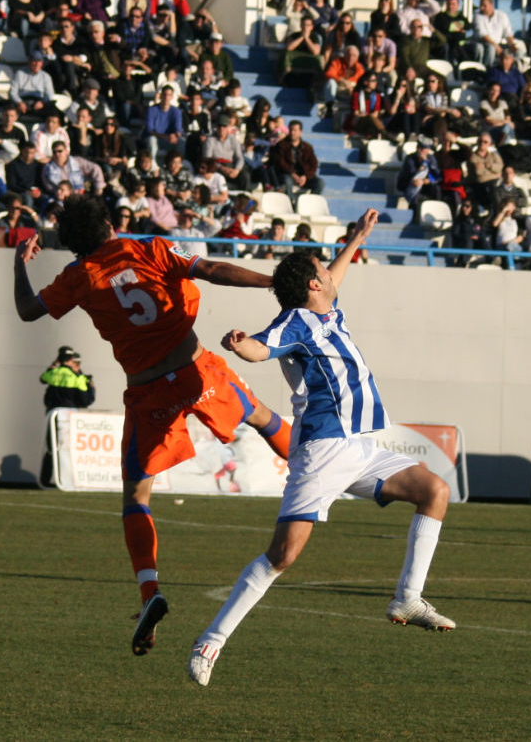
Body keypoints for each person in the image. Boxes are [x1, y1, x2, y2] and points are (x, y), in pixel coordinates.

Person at [12, 195, 294, 659]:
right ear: (108, 221)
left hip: (149, 393)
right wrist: (271, 282)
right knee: (262, 417)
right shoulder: (150, 247)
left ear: (73, 242)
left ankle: (149, 593)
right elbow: (213, 270)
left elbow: (27, 310)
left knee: (137, 496)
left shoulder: (77, 277)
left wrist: (19, 264)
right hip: (196, 371)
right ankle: (319, 470)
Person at [188, 210, 455, 687]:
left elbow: (336, 274)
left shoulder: (326, 310)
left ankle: (407, 598)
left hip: (360, 446)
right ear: (314, 284)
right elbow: (259, 348)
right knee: (282, 557)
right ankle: (212, 639)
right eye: (324, 269)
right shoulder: (295, 321)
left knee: (434, 490)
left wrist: (356, 238)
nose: (332, 273)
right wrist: (239, 343)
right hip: (323, 452)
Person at [40, 345, 96, 410]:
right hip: (70, 413)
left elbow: (42, 379)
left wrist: (54, 364)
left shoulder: (51, 373)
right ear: (72, 359)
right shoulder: (78, 377)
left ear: (58, 358)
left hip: (53, 412)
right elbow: (85, 401)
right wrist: (92, 387)